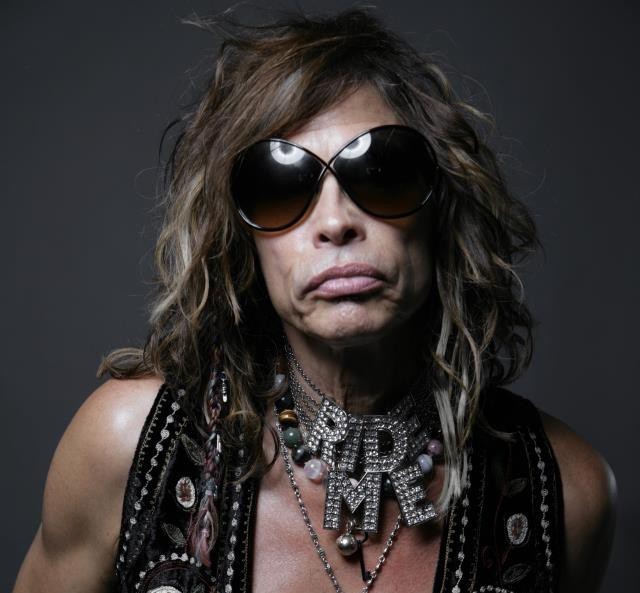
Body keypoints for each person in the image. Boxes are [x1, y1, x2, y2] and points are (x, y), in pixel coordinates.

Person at [12, 8, 616, 593]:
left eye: (382, 172)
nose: (335, 222)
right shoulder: (125, 447)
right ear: (240, 240)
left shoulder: (567, 493)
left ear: (441, 212)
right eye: (280, 186)